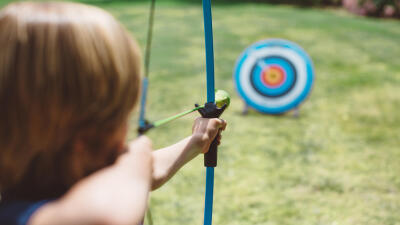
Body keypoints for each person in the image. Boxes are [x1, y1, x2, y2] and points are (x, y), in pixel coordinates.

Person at [0, 2, 227, 225]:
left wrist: (196, 142)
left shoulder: (101, 176)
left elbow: (147, 173)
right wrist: (138, 155)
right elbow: (111, 209)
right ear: (90, 133)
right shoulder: (23, 215)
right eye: (121, 114)